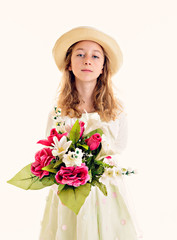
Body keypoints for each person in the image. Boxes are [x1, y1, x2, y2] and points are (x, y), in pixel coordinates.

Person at [39, 26, 142, 240]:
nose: (88, 60)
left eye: (95, 56)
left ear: (103, 67)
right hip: (70, 190)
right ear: (69, 63)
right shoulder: (59, 113)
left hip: (105, 189)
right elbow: (51, 147)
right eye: (80, 54)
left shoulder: (115, 111)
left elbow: (119, 146)